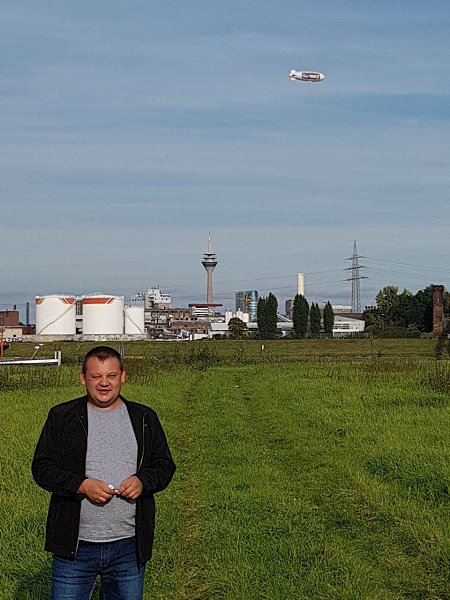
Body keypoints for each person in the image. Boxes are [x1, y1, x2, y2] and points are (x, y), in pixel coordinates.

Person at [32, 345, 176, 600]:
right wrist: (81, 485)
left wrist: (142, 481)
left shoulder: (144, 417)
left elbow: (164, 465)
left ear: (123, 376)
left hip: (129, 546)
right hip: (74, 547)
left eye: (111, 375)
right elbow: (42, 468)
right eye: (96, 376)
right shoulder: (62, 416)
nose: (104, 383)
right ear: (83, 378)